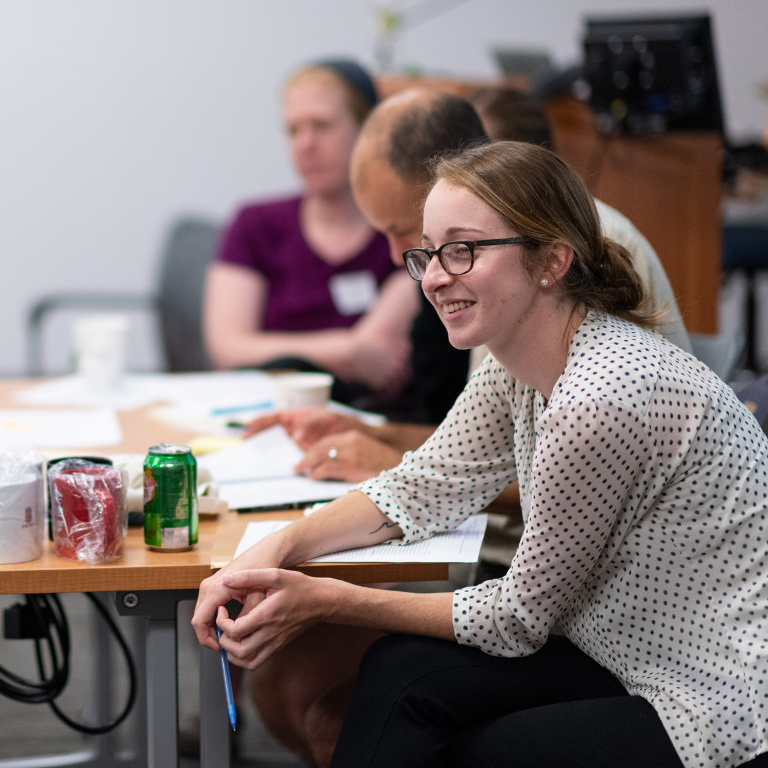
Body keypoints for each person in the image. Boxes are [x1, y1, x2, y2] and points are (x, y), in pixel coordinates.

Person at [193, 141, 768, 768]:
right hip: (623, 643)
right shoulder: (516, 357)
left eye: (463, 250)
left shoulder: (597, 400)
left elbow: (518, 620)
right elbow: (420, 487)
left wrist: (326, 597)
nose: (436, 275)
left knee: (474, 752)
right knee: (397, 672)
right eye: (429, 253)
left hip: (717, 691)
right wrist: (277, 548)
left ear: (551, 260)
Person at [245, 87, 691, 483]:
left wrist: (387, 463)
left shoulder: (558, 256)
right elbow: (480, 450)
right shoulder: (494, 292)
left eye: (404, 229)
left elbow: (563, 483)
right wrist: (366, 432)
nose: (399, 257)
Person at [203, 59, 418, 406]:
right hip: (258, 414)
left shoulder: (404, 232)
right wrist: (345, 351)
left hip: (365, 423)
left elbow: (380, 362)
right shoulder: (254, 224)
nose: (306, 144)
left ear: (368, 131)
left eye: (321, 125)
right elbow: (227, 350)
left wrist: (280, 353)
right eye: (293, 130)